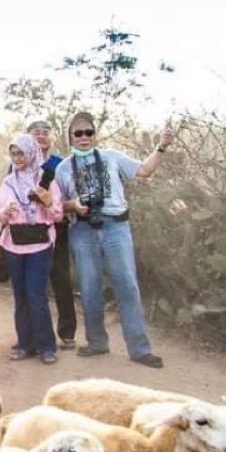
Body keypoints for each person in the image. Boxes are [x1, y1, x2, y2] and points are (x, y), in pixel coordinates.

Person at [53, 112, 174, 369]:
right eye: (78, 133)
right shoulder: (63, 168)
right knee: (89, 287)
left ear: (94, 134)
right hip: (83, 230)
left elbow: (144, 170)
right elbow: (55, 207)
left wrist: (162, 146)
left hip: (115, 227)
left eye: (89, 132)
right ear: (70, 137)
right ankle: (97, 342)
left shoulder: (111, 157)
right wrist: (73, 205)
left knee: (127, 286)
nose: (84, 137)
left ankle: (140, 349)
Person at [0, 134, 65, 365]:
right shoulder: (8, 182)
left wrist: (47, 202)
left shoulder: (46, 179)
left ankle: (46, 346)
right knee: (20, 295)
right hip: (14, 244)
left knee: (36, 294)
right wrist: (6, 212)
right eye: (13, 153)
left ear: (31, 153)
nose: (17, 158)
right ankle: (25, 344)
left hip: (40, 244)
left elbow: (57, 214)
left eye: (21, 153)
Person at [27, 119, 79, 350]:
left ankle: (67, 333)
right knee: (32, 283)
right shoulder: (19, 163)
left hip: (57, 226)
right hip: (28, 229)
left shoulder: (62, 164)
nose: (40, 136)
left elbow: (73, 198)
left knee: (61, 279)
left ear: (53, 137)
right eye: (35, 133)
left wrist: (55, 205)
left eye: (45, 132)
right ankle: (34, 333)